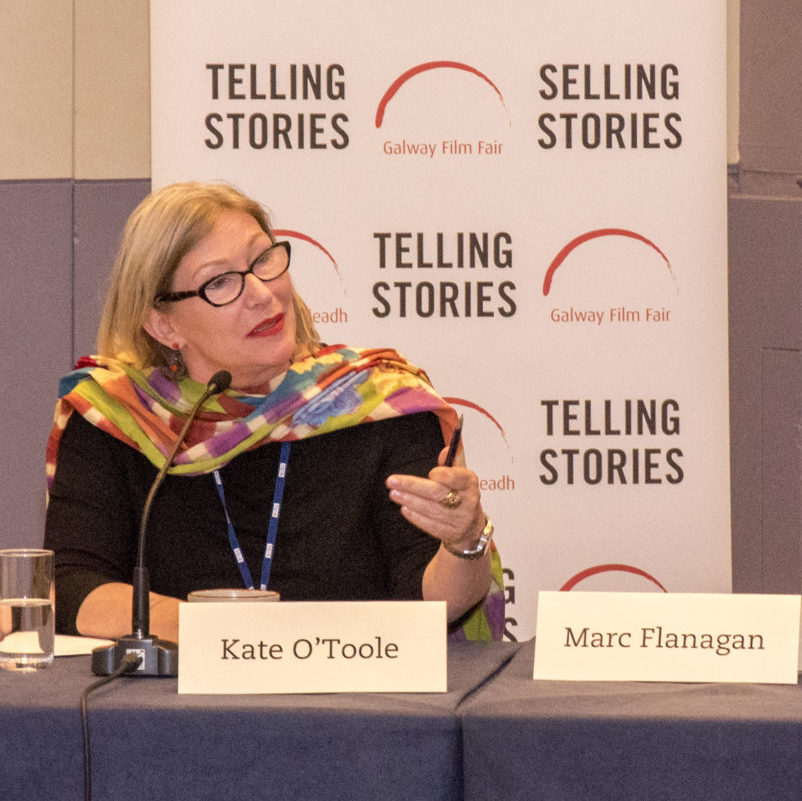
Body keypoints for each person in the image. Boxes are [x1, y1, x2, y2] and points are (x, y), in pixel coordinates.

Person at [46, 181, 497, 642]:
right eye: (220, 281)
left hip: (357, 700)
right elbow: (73, 589)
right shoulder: (119, 419)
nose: (261, 293)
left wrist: (464, 542)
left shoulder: (379, 404)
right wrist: (243, 639)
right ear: (164, 324)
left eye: (263, 260)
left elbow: (430, 606)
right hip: (175, 706)